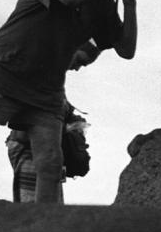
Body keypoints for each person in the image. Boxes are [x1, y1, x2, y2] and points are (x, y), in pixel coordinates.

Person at [0, 0, 138, 203]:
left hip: (46, 92)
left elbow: (126, 49)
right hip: (1, 73)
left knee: (51, 165)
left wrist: (129, 2)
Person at [6, 42, 98, 203]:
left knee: (49, 206)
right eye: (80, 61)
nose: (77, 68)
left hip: (45, 152)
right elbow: (22, 130)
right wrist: (63, 129)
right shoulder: (39, 76)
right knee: (34, 208)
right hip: (32, 151)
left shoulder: (52, 81)